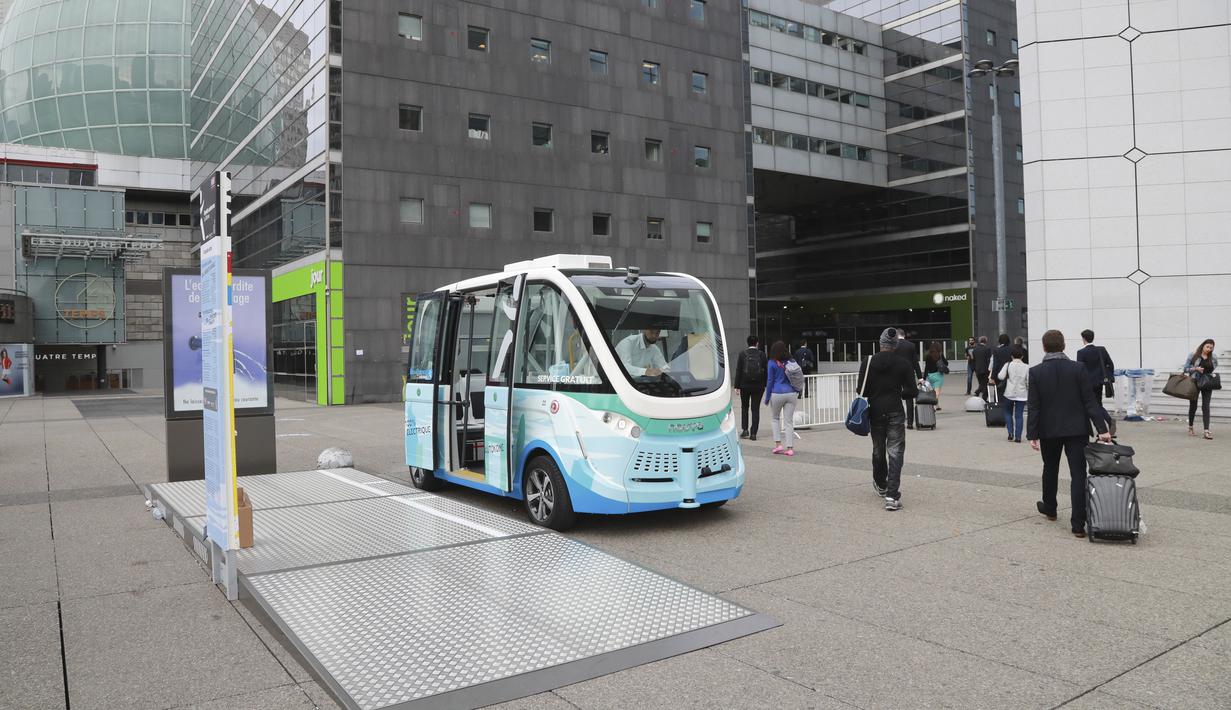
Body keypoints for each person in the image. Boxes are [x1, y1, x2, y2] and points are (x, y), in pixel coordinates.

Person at [1027, 329, 1112, 538]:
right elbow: (1089, 401)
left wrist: (1032, 434)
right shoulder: (1078, 369)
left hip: (1049, 430)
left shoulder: (1036, 372)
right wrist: (1102, 429)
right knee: (1078, 473)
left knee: (1050, 468)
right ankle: (1078, 524)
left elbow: (1034, 406)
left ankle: (1050, 508)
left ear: (1044, 347)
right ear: (1064, 346)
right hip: (1077, 430)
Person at [857, 328, 918, 511]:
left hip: (875, 410)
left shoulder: (868, 361)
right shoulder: (903, 363)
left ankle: (881, 483)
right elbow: (912, 391)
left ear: (880, 342)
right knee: (896, 452)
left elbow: (861, 391)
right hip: (895, 411)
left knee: (878, 449)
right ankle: (892, 496)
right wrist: (898, 393)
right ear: (895, 345)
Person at [1075, 329, 1116, 436]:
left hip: (1087, 383)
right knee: (1097, 404)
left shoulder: (1081, 352)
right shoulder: (1101, 350)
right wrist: (1109, 377)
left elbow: (1080, 369)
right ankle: (1105, 425)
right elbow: (1110, 364)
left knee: (1093, 405)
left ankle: (1107, 423)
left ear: (1083, 339)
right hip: (1100, 382)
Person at [764, 341, 799, 456]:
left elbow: (770, 381)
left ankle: (778, 444)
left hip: (777, 393)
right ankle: (790, 448)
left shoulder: (771, 362)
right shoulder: (791, 361)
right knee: (789, 421)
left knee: (775, 418)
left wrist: (767, 397)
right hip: (791, 393)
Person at [733, 335, 767, 440]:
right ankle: (753, 434)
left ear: (747, 343)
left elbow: (738, 370)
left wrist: (736, 386)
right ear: (757, 343)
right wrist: (765, 384)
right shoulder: (762, 354)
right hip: (758, 386)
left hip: (744, 385)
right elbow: (766, 370)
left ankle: (745, 430)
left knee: (744, 407)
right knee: (755, 409)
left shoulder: (742, 354)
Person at [1183, 339, 1218, 440]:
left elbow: (1213, 367)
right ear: (1203, 346)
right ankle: (1190, 427)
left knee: (1206, 406)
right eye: (1207, 347)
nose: (1209, 349)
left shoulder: (1213, 357)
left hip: (1207, 383)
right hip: (1195, 382)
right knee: (1193, 405)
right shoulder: (1193, 355)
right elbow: (1185, 369)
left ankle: (1206, 431)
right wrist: (1195, 368)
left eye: (1211, 348)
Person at [998, 345, 1029, 442]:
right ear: (1022, 356)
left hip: (1009, 392)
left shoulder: (1008, 365)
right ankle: (1018, 437)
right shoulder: (1027, 367)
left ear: (1011, 356)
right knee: (1019, 415)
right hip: (1022, 394)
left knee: (1007, 412)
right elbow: (1029, 382)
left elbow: (1000, 376)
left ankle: (1010, 433)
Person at [893, 330, 923, 428]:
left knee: (895, 397)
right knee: (909, 399)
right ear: (904, 335)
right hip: (908, 375)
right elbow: (915, 362)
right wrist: (920, 377)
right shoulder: (911, 346)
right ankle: (910, 423)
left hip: (895, 375)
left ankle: (897, 421)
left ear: (897, 335)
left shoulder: (893, 345)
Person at [923, 342, 947, 411]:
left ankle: (937, 405)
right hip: (938, 375)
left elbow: (926, 367)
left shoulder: (928, 356)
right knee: (937, 392)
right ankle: (933, 406)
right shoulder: (940, 355)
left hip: (930, 376)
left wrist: (924, 378)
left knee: (932, 391)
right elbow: (946, 363)